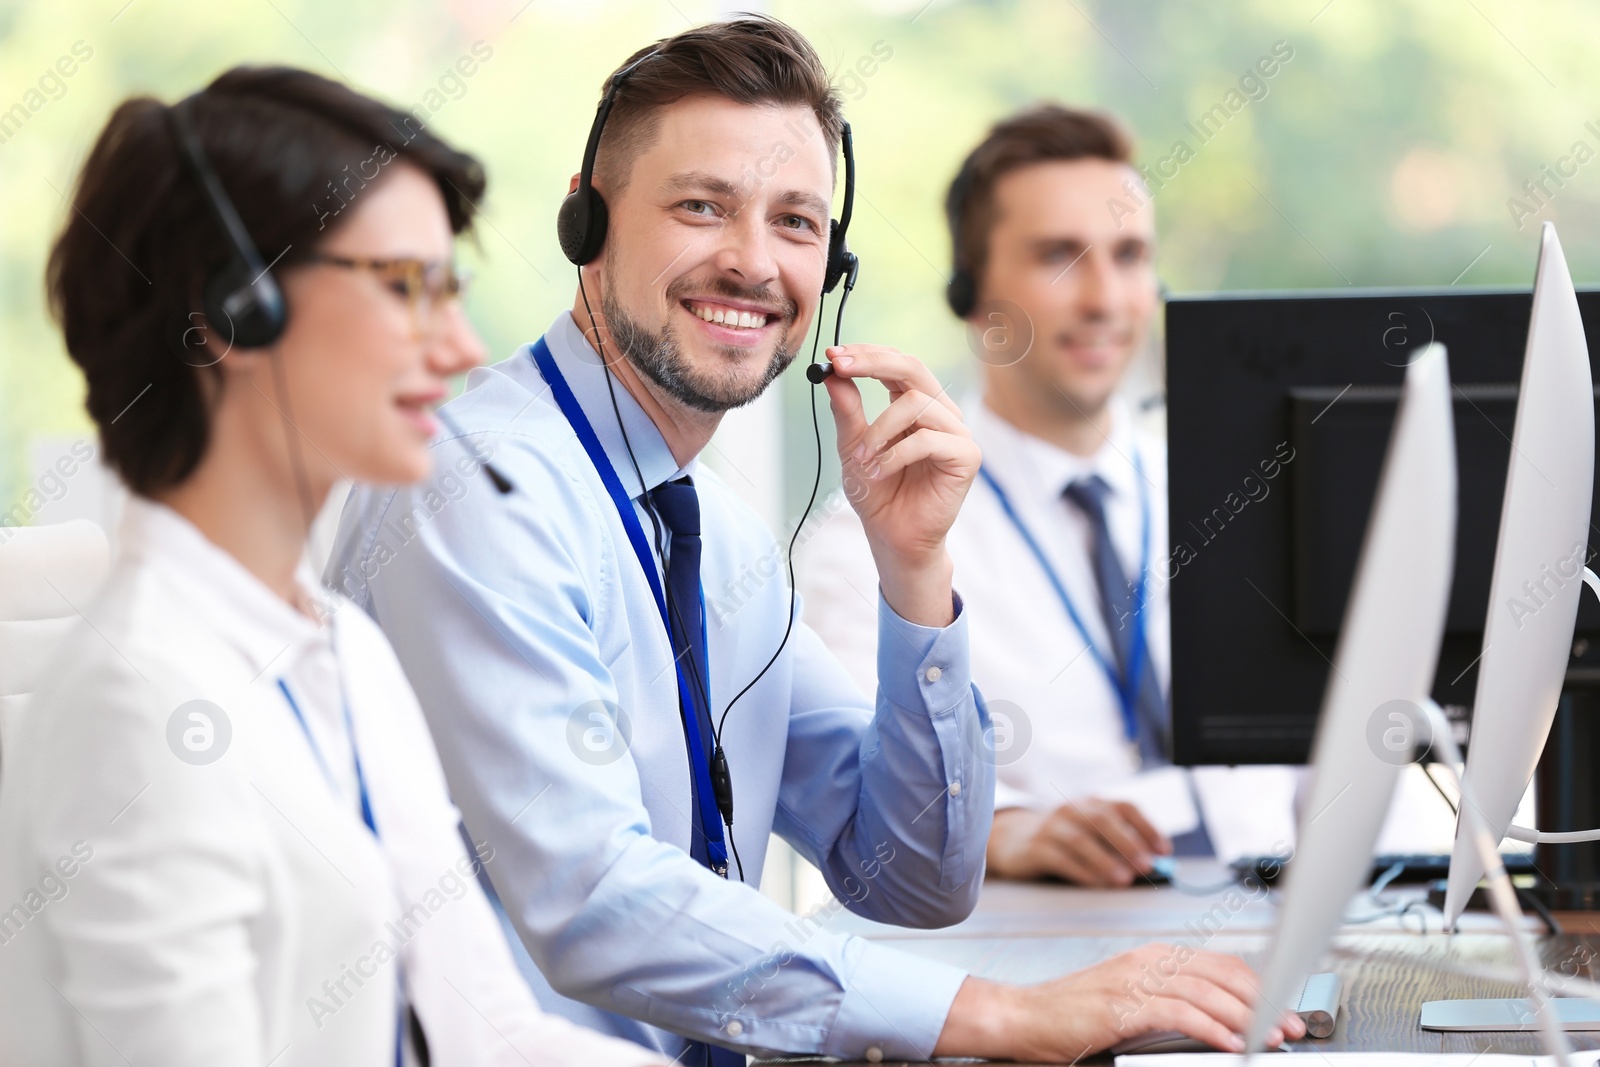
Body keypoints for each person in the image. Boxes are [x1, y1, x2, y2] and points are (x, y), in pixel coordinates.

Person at [328, 18, 1304, 1064]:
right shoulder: (479, 485)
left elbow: (916, 874)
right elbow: (593, 898)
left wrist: (916, 573)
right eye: (702, 206)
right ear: (589, 220)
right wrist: (1009, 1014)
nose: (753, 261)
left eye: (796, 221)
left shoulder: (720, 533)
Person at [0, 67, 663, 1067]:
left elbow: (483, 1029)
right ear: (232, 307)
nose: (461, 346)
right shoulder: (136, 699)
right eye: (407, 287)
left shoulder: (339, 644)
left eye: (455, 291)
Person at [800, 104, 1297, 888]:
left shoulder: (1251, 501)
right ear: (971, 291)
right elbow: (860, 809)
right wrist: (999, 831)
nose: (1104, 297)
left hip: (1281, 939)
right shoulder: (865, 546)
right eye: (1062, 257)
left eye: (1130, 255)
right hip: (1043, 957)